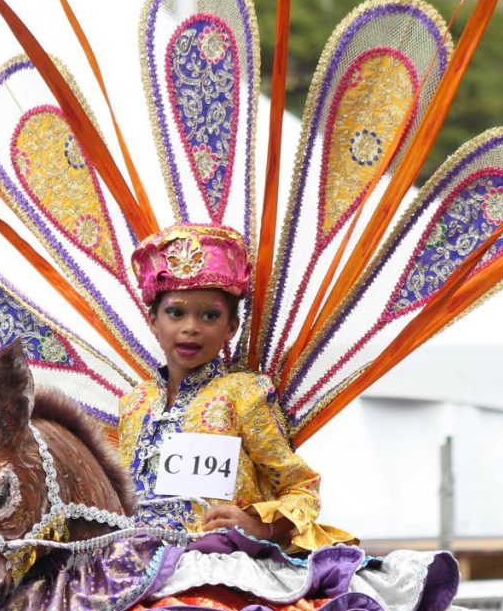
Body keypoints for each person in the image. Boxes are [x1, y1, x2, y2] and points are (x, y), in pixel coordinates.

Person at [118, 223, 356, 551]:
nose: (191, 328)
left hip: (219, 569)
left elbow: (301, 488)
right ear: (154, 323)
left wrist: (258, 527)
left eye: (209, 316)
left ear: (231, 327)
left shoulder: (244, 394)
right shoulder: (133, 404)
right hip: (133, 563)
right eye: (175, 313)